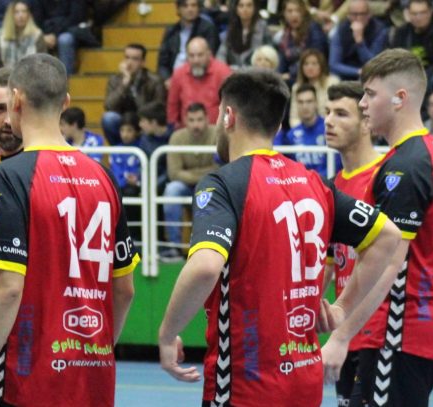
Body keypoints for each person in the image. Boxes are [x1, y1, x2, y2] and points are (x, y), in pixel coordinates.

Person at [156, 69, 404, 407]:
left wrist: (168, 334)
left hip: (246, 380)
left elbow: (204, 268)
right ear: (278, 125)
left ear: (228, 116)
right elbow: (388, 237)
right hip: (304, 378)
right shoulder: (314, 183)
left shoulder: (224, 184)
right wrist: (342, 308)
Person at [0, 54, 138, 407]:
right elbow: (125, 289)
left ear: (16, 100)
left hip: (28, 378)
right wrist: (96, 350)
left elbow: (7, 288)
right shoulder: (104, 176)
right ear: (66, 103)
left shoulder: (9, 175)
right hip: (94, 374)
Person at [349, 48, 433, 406]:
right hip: (423, 324)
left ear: (400, 99)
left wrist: (342, 330)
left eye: (370, 94)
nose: (362, 104)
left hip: (400, 329)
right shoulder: (431, 152)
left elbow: (390, 262)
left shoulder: (406, 166)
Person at [321, 81, 387, 405]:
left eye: (341, 114)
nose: (329, 121)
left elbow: (391, 263)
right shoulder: (333, 186)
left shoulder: (385, 177)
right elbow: (330, 263)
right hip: (345, 328)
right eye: (327, 112)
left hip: (379, 334)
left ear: (365, 123)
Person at [162, 103, 218, 261]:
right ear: (185, 121)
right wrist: (205, 173)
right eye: (192, 120)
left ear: (207, 119)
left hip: (211, 185)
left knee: (209, 190)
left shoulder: (217, 135)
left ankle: (206, 248)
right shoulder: (177, 137)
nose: (196, 125)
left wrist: (189, 174)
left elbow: (220, 169)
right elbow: (173, 173)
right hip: (186, 186)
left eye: (200, 119)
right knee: (172, 190)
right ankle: (174, 248)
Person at [103, 43, 167, 146]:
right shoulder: (115, 79)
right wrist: (124, 83)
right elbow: (109, 106)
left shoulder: (155, 80)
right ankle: (119, 153)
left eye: (135, 59)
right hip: (123, 121)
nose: (129, 62)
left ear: (143, 62)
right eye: (127, 58)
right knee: (109, 118)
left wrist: (134, 90)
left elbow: (158, 110)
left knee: (151, 122)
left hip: (145, 120)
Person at [167, 37, 232, 126]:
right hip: (187, 132)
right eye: (191, 55)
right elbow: (173, 106)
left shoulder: (223, 72)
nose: (196, 60)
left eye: (200, 55)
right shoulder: (179, 74)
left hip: (217, 132)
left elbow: (231, 106)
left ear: (209, 54)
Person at [390, 0, 433, 91]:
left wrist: (419, 76)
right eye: (414, 14)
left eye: (422, 13)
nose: (418, 17)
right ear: (408, 14)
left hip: (431, 74)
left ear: (430, 12)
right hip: (406, 74)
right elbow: (394, 58)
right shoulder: (401, 32)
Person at [274, 84, 333, 176]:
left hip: (327, 184)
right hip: (301, 185)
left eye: (309, 101)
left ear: (316, 103)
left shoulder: (329, 129)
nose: (305, 106)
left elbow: (335, 165)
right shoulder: (291, 135)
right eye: (300, 102)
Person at [158, 0, 220, 81]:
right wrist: (166, 79)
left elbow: (210, 58)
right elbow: (162, 63)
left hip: (198, 75)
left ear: (198, 8)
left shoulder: (208, 29)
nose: (190, 9)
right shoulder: (171, 31)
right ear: (178, 9)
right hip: (172, 78)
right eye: (185, 6)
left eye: (193, 5)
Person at [330, 0, 389, 79]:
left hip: (372, 75)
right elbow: (334, 64)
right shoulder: (341, 30)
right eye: (354, 14)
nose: (358, 18)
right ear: (348, 15)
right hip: (347, 74)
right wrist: (357, 71)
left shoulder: (379, 30)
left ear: (369, 14)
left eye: (362, 14)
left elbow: (374, 63)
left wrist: (360, 42)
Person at [274, 0, 328, 82]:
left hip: (311, 76)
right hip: (290, 77)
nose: (294, 14)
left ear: (304, 13)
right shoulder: (286, 34)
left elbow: (316, 57)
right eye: (289, 11)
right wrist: (278, 76)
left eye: (298, 11)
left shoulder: (314, 29)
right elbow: (282, 61)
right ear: (284, 14)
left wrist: (290, 74)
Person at [27, 0, 84, 75]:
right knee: (34, 37)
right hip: (46, 32)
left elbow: (75, 18)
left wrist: (55, 35)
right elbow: (37, 20)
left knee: (65, 40)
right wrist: (42, 35)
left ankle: (65, 81)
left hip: (69, 30)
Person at [290, 49, 341, 127]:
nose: (310, 67)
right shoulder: (296, 87)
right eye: (306, 64)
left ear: (321, 66)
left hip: (329, 126)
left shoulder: (332, 83)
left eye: (314, 64)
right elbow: (294, 117)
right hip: (304, 130)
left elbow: (337, 111)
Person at [218, 0, 269, 68]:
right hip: (233, 72)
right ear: (236, 9)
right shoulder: (231, 28)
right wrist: (223, 70)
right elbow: (221, 54)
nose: (245, 9)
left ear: (254, 8)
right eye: (241, 6)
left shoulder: (262, 27)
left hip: (255, 72)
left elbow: (270, 54)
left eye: (249, 5)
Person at [0, 1, 46, 68]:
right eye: (16, 12)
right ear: (10, 15)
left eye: (24, 11)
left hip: (32, 75)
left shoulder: (37, 35)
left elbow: (43, 62)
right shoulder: (2, 36)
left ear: (29, 14)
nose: (21, 15)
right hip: (7, 76)